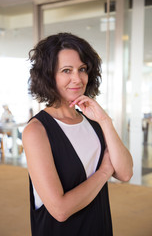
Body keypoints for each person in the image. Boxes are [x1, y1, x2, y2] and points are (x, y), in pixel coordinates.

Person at [22, 32, 133, 236]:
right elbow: (60, 210)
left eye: (82, 69)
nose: (77, 78)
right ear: (48, 75)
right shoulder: (36, 131)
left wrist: (104, 120)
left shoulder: (93, 122)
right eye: (66, 70)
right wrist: (104, 171)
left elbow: (125, 173)